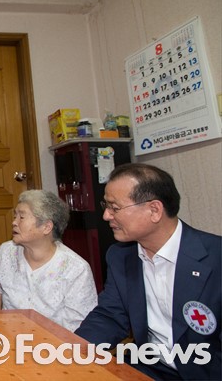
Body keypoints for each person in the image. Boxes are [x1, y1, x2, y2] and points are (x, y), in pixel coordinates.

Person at [76, 163, 221, 380]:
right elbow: (110, 316)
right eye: (106, 206)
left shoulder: (216, 259)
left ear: (154, 210)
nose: (106, 215)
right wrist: (70, 352)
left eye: (115, 208)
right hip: (148, 366)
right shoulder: (120, 256)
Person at [0, 189, 97, 332]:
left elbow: (78, 326)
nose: (14, 222)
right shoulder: (6, 253)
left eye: (21, 217)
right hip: (7, 338)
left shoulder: (76, 269)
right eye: (15, 216)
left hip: (55, 342)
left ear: (46, 227)